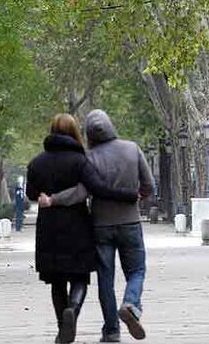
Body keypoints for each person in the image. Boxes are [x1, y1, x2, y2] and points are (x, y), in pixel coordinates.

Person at [39, 109, 154, 342]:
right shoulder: (132, 149)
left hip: (101, 225)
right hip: (130, 221)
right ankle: (131, 303)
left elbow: (81, 192)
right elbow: (149, 184)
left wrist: (53, 200)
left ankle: (111, 331)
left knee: (105, 279)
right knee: (136, 270)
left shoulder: (88, 157)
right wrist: (139, 196)